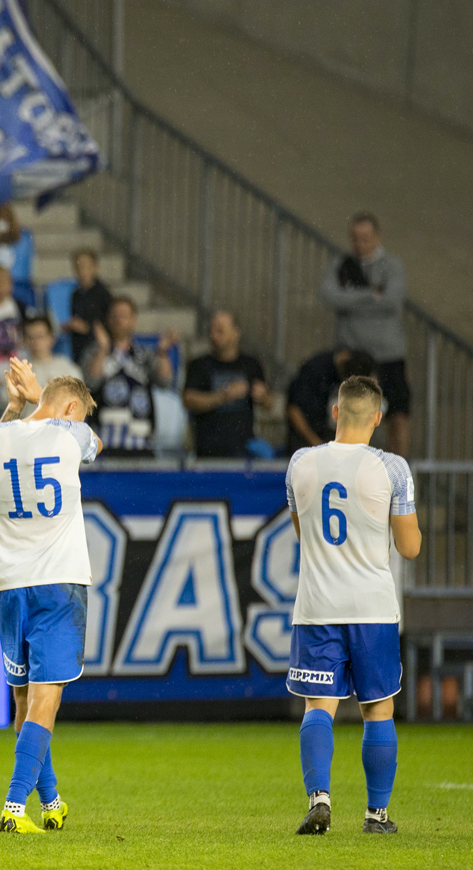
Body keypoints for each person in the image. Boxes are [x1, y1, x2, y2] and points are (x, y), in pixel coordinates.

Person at [284, 375, 420, 836]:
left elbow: (304, 536)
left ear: (335, 412)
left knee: (318, 707)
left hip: (318, 605)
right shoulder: (393, 469)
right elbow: (410, 548)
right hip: (373, 609)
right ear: (378, 418)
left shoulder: (300, 463)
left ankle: (318, 799)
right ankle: (376, 815)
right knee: (377, 709)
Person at [0, 360, 102, 833]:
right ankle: (13, 806)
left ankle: (50, 802)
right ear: (71, 408)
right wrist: (44, 405)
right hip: (58, 582)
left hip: (8, 584)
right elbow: (93, 442)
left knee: (24, 701)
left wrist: (17, 406)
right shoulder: (71, 436)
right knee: (47, 697)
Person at [319, 212, 410, 455]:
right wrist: (370, 294)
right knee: (346, 414)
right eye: (355, 238)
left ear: (377, 237)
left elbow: (391, 300)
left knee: (398, 415)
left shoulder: (391, 265)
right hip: (352, 356)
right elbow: (330, 296)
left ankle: (398, 472)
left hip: (387, 355)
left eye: (365, 238)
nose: (360, 244)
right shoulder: (340, 265)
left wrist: (350, 301)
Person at [82, 296, 175, 457]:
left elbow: (165, 381)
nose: (119, 320)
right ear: (107, 319)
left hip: (141, 443)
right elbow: (91, 381)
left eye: (124, 315)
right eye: (115, 315)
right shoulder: (94, 352)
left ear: (133, 320)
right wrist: (103, 348)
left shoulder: (145, 354)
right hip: (105, 443)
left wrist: (162, 352)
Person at [183, 311, 272, 458]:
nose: (214, 336)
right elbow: (188, 400)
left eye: (220, 331)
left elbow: (269, 405)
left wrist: (263, 396)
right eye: (211, 330)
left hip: (244, 450)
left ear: (235, 333)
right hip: (209, 451)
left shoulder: (251, 365)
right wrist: (223, 396)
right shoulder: (199, 365)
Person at [285, 348, 377, 454]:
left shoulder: (362, 362)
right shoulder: (314, 370)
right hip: (308, 437)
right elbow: (293, 410)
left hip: (333, 436)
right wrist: (316, 443)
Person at [21, 316, 81, 417]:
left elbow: (80, 402)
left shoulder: (66, 367)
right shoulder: (18, 371)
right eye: (31, 337)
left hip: (60, 429)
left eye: (40, 336)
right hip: (27, 429)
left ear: (51, 338)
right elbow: (5, 407)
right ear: (24, 341)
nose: (35, 342)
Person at [61, 248, 110, 366]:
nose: (82, 271)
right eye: (78, 267)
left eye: (86, 266)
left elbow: (110, 328)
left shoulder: (104, 295)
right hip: (79, 348)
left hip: (97, 351)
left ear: (95, 267)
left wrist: (87, 328)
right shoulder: (75, 294)